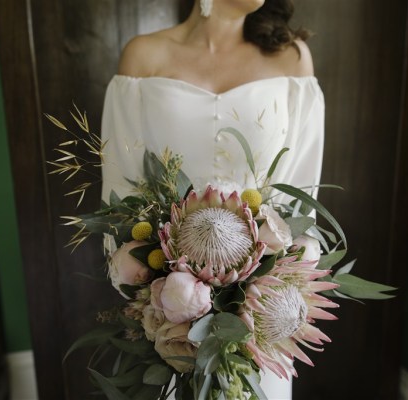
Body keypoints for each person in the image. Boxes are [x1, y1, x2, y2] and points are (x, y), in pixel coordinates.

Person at [101, 1, 324, 398]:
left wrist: (271, 287)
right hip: (169, 308)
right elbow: (122, 193)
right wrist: (158, 299)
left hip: (260, 310)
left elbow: (301, 195)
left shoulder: (291, 58)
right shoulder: (143, 56)